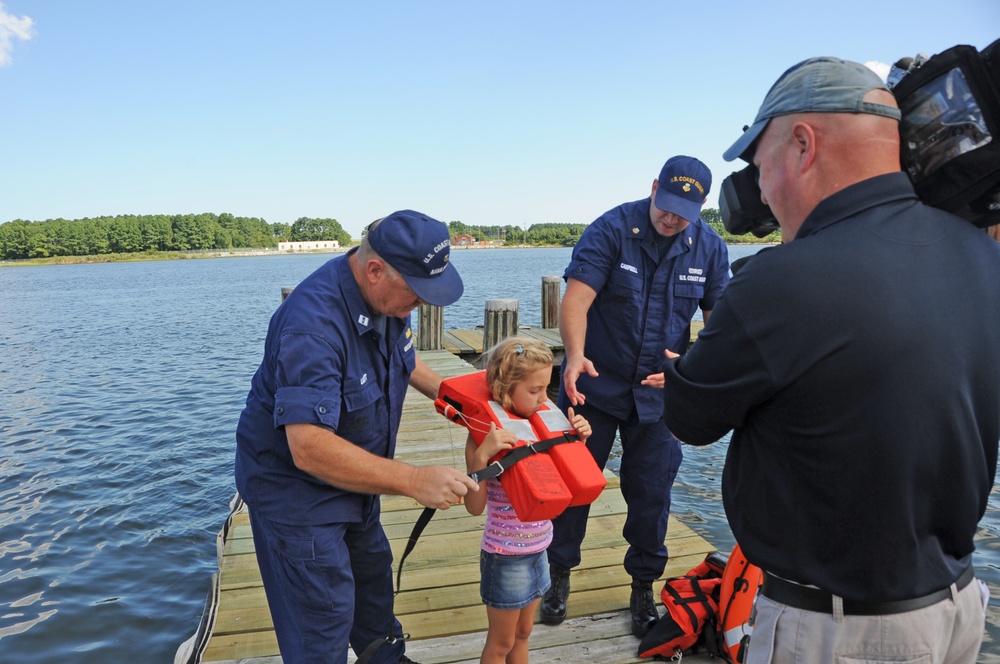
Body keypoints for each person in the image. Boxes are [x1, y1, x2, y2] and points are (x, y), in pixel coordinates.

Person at [661, 57, 1000, 663]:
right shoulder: (980, 253)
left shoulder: (780, 282)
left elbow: (690, 416)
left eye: (760, 167)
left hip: (840, 633)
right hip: (958, 607)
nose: (761, 190)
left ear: (801, 144)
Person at [234, 210, 479, 664]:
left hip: (356, 479)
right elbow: (307, 448)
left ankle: (383, 656)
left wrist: (467, 404)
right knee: (322, 613)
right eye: (417, 293)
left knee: (372, 578)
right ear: (374, 270)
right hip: (296, 491)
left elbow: (406, 361)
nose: (423, 304)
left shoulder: (386, 299)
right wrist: (412, 479)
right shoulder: (312, 326)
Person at [541, 156, 731, 638]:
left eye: (682, 212)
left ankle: (643, 586)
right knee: (571, 488)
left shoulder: (709, 248)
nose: (670, 218)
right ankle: (557, 576)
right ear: (653, 188)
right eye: (664, 206)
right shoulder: (610, 228)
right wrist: (576, 356)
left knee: (652, 495)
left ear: (700, 206)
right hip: (594, 385)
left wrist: (692, 370)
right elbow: (577, 300)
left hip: (660, 396)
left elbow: (722, 324)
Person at [463, 336, 592, 664]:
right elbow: (474, 508)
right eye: (534, 391)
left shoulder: (544, 425)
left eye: (546, 389)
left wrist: (576, 439)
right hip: (505, 558)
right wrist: (482, 457)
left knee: (523, 634)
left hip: (540, 549)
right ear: (505, 390)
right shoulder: (483, 438)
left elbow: (564, 481)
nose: (542, 399)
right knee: (501, 641)